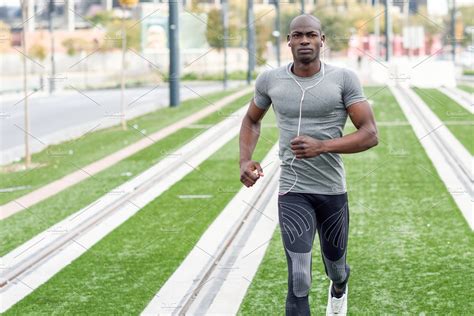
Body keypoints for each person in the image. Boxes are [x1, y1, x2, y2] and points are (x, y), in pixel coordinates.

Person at [239, 14, 378, 316]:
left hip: (331, 190)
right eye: (298, 35)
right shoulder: (270, 80)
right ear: (288, 40)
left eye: (311, 35)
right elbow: (251, 119)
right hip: (293, 190)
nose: (305, 40)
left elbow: (370, 135)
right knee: (299, 278)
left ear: (322, 40)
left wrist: (323, 146)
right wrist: (245, 160)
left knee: (336, 267)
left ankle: (339, 288)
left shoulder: (343, 79)